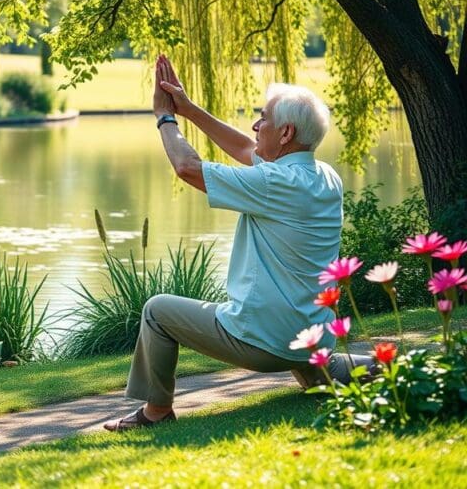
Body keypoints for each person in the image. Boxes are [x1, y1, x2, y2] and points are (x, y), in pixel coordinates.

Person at [104, 55, 372, 432]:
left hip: (266, 343)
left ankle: (156, 412)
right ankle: (363, 367)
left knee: (157, 311)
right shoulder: (324, 177)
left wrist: (166, 118)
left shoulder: (276, 184)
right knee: (353, 365)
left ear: (286, 134)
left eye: (264, 118)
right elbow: (249, 150)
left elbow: (188, 167)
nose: (255, 124)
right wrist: (190, 108)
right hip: (311, 340)